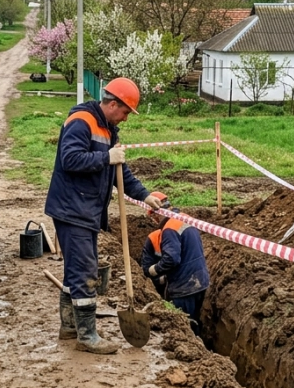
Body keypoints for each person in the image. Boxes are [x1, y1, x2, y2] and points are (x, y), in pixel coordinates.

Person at [44, 78, 163, 354]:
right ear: (112, 104)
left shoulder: (109, 129)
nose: (126, 119)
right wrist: (106, 158)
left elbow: (120, 171)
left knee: (76, 270)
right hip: (72, 209)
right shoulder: (82, 121)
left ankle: (70, 327)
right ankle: (87, 336)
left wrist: (144, 195)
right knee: (86, 272)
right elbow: (70, 159)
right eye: (125, 112)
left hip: (86, 210)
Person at [140, 193, 210, 336]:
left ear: (156, 214)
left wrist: (153, 271)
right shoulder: (185, 218)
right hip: (200, 281)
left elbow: (172, 259)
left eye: (153, 217)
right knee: (193, 320)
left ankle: (191, 347)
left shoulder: (169, 228)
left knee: (184, 326)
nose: (154, 221)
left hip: (184, 287)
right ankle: (197, 342)